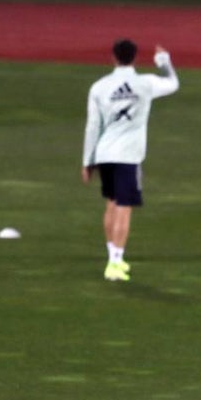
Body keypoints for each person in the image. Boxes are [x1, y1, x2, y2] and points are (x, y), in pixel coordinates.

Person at [82, 38, 179, 282]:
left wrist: (87, 160)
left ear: (113, 57)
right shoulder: (144, 83)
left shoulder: (99, 87)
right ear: (135, 57)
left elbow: (93, 126)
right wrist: (164, 61)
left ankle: (113, 257)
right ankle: (115, 262)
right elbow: (173, 84)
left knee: (112, 203)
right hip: (128, 155)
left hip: (104, 153)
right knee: (124, 208)